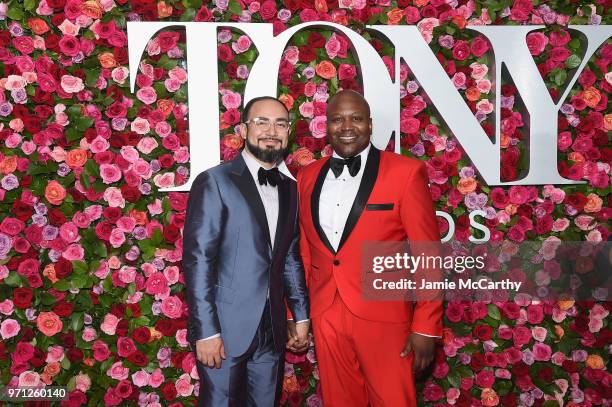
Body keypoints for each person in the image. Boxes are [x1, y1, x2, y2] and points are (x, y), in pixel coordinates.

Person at [297, 90, 443, 406]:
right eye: (337, 119)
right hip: (326, 313)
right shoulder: (307, 177)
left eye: (356, 118)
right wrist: (300, 313)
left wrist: (427, 326)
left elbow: (427, 254)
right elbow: (306, 252)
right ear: (326, 126)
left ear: (370, 124)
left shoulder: (405, 172)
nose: (347, 126)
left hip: (384, 313)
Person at [183, 96, 310, 406]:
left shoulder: (291, 189)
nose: (271, 130)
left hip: (273, 329)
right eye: (261, 122)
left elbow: (289, 258)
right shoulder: (215, 181)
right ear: (242, 130)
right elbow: (198, 260)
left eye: (280, 123)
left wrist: (301, 314)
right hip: (225, 329)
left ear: (289, 132)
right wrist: (207, 331)